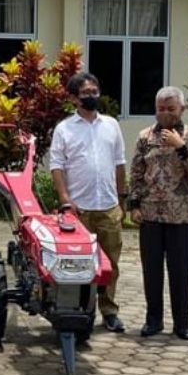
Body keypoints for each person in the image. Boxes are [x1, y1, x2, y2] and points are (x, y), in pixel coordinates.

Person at [49, 72, 127, 333]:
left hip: (108, 207)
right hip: (78, 210)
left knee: (110, 265)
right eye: (85, 93)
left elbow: (119, 164)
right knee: (78, 265)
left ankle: (109, 312)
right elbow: (57, 167)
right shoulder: (64, 129)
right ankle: (79, 311)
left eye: (95, 91)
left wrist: (122, 199)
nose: (92, 96)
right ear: (74, 98)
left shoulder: (111, 125)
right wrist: (65, 199)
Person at [128, 86, 188, 340]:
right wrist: (134, 205)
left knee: (181, 272)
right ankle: (153, 320)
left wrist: (180, 147)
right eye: (161, 108)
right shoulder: (145, 136)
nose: (165, 113)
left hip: (181, 215)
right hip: (150, 214)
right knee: (151, 271)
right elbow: (136, 173)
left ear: (182, 109)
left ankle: (181, 323)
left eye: (171, 109)